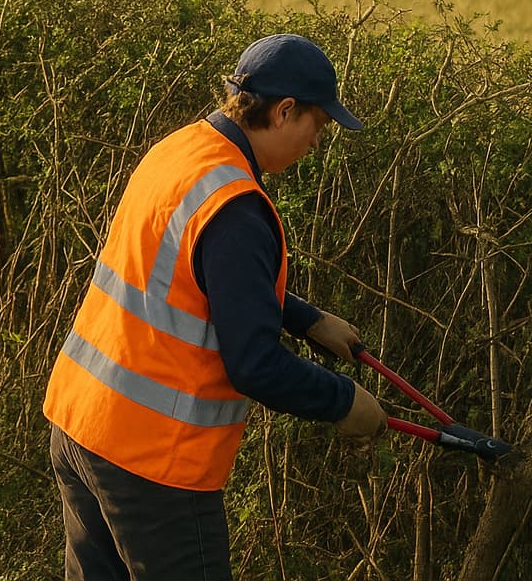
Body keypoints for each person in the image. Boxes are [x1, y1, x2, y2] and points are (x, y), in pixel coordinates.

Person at [43, 32, 389, 580]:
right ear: (284, 111)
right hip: (153, 463)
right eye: (317, 125)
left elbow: (188, 281)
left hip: (82, 423)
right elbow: (255, 365)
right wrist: (346, 402)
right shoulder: (238, 210)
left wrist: (306, 319)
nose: (316, 142)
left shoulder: (182, 150)